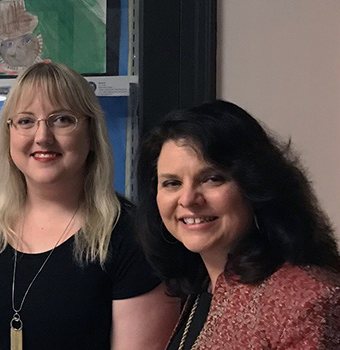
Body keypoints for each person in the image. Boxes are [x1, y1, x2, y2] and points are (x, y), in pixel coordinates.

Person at [0, 62, 179, 349]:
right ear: (9, 134)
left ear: (91, 134)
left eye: (62, 119)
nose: (42, 136)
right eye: (26, 121)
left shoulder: (133, 237)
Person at [135, 100, 340, 349]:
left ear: (255, 185)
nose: (188, 199)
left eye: (212, 179)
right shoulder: (202, 286)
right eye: (172, 183)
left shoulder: (308, 299)